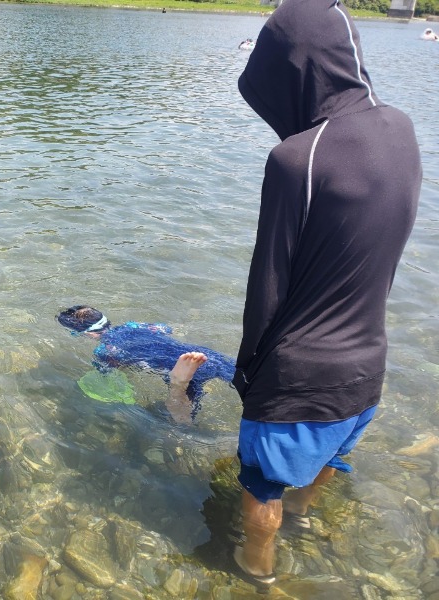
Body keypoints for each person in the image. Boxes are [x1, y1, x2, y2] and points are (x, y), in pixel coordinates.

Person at [231, 0, 421, 587]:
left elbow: (268, 283)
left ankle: (253, 571)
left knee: (260, 483)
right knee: (331, 458)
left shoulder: (296, 158)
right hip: (368, 365)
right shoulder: (402, 129)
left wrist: (248, 376)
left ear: (292, 68)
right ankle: (305, 520)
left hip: (299, 375)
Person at [57, 305, 234, 421]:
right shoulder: (133, 325)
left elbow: (108, 374)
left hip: (180, 371)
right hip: (203, 354)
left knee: (179, 421)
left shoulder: (104, 351)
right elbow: (166, 329)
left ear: (88, 334)